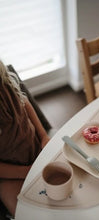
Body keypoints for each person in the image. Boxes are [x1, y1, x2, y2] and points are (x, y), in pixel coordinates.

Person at [0, 61, 50, 217]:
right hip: (9, 176)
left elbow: (25, 102)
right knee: (29, 214)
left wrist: (43, 136)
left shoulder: (5, 81)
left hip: (35, 150)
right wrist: (25, 172)